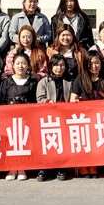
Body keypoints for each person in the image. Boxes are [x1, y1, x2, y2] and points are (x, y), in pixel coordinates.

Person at [71, 51, 104, 178]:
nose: (95, 66)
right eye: (92, 63)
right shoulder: (80, 79)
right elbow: (73, 99)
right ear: (87, 64)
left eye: (97, 63)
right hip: (83, 118)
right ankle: (83, 166)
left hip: (99, 118)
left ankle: (94, 165)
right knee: (84, 141)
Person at [0, 52, 38, 181]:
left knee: (24, 143)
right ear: (13, 65)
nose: (21, 66)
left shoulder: (33, 82)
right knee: (11, 143)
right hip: (9, 119)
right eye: (18, 63)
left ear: (28, 66)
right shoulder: (6, 82)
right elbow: (1, 101)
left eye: (23, 63)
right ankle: (11, 168)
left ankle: (22, 167)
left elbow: (36, 101)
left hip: (27, 119)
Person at [35, 54, 73, 182]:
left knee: (62, 144)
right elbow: (39, 99)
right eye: (56, 65)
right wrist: (47, 102)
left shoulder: (70, 81)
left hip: (65, 117)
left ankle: (61, 167)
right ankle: (44, 168)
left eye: (62, 65)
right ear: (51, 66)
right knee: (48, 144)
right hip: (48, 118)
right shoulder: (44, 81)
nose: (59, 68)